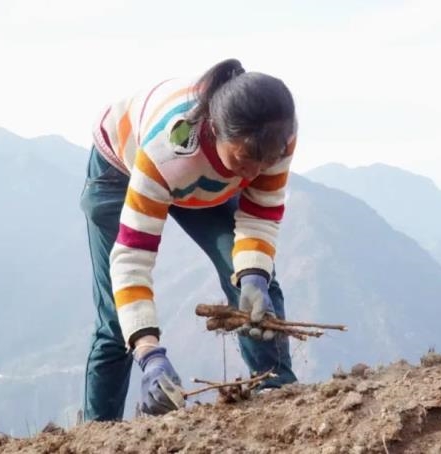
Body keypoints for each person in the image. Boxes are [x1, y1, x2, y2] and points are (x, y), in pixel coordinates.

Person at [79, 58, 299, 420]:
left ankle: (276, 389)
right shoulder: (167, 153)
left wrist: (254, 276)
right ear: (215, 129)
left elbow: (260, 213)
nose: (254, 174)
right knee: (118, 323)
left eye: (266, 161)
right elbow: (133, 258)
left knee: (250, 278)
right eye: (245, 160)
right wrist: (149, 352)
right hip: (119, 169)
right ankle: (99, 432)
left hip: (202, 175)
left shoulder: (275, 135)